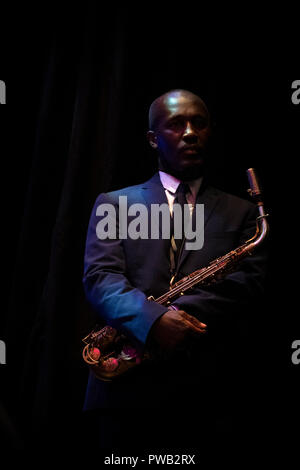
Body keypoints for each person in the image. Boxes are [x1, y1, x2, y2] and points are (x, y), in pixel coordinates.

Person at [82, 89, 268, 445]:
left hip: (209, 393)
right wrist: (153, 321)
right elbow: (100, 279)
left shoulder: (244, 213)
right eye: (175, 124)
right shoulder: (113, 203)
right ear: (153, 139)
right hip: (124, 394)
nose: (189, 132)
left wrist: (175, 317)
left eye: (199, 124)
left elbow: (248, 285)